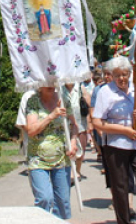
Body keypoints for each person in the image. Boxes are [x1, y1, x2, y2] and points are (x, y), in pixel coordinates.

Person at [92, 56, 136, 224]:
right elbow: (97, 121)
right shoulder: (105, 92)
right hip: (116, 145)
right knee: (120, 187)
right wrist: (123, 130)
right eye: (118, 75)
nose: (122, 78)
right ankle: (124, 220)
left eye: (125, 74)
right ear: (111, 76)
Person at [24, 86, 79, 220]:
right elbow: (31, 130)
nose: (50, 84)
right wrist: (51, 116)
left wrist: (73, 143)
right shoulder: (33, 101)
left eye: (52, 80)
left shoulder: (63, 98)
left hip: (61, 158)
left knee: (62, 201)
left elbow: (74, 126)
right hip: (38, 159)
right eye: (46, 80)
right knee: (44, 198)